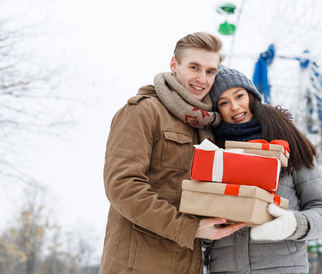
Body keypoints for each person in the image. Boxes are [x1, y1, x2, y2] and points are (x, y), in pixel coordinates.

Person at [99, 33, 246, 274]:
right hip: (137, 264)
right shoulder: (143, 112)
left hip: (188, 263)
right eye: (194, 67)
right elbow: (122, 186)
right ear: (173, 65)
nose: (202, 79)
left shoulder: (206, 125)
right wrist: (190, 229)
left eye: (210, 71)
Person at [206, 66, 322, 274]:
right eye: (223, 102)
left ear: (252, 96)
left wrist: (294, 224)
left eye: (239, 96)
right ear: (216, 110)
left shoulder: (288, 143)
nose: (235, 106)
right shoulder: (212, 152)